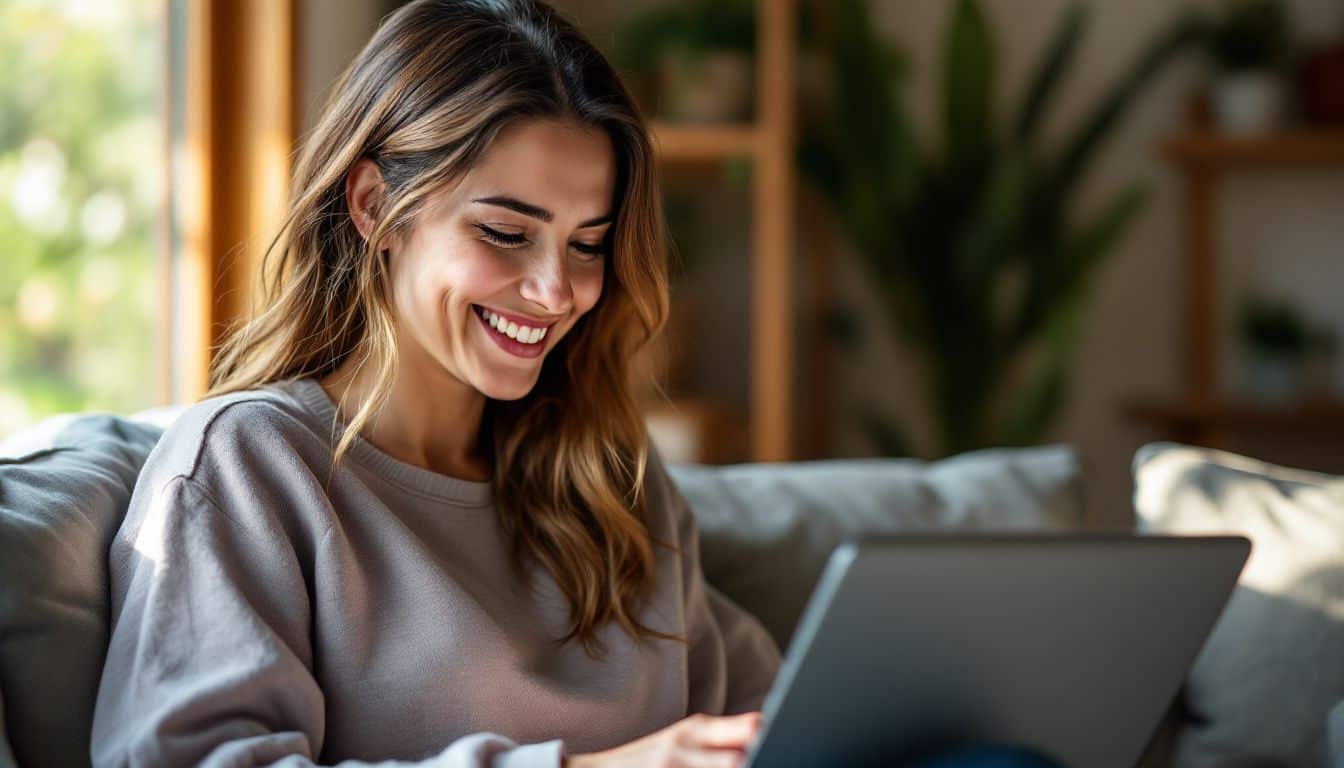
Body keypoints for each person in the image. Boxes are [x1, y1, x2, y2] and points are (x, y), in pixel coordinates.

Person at [89, 1, 781, 765]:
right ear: (375, 207)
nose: (556, 292)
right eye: (506, 234)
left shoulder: (612, 483)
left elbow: (781, 721)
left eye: (587, 245)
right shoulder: (250, 465)